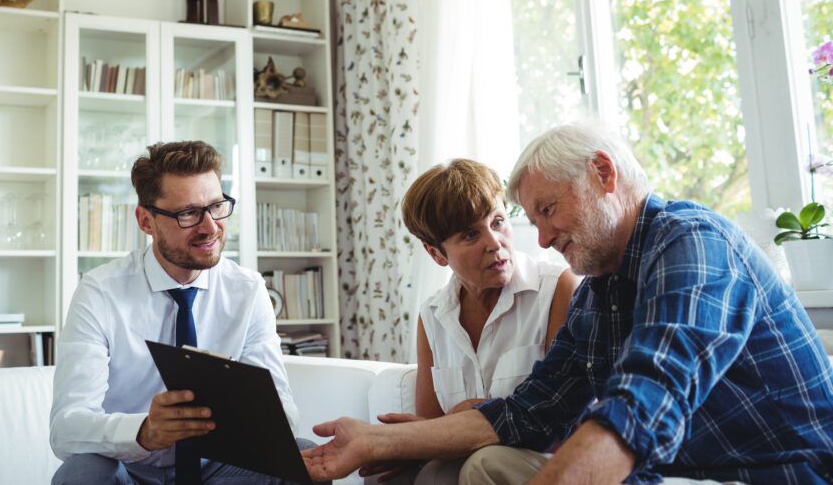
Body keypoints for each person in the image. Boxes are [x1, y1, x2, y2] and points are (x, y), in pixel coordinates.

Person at [302, 123, 833, 484]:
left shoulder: (691, 242)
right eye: (532, 220)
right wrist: (374, 442)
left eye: (548, 210)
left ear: (604, 174)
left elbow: (644, 402)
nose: (542, 237)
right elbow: (526, 412)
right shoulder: (601, 288)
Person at [51, 140, 306, 485]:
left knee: (303, 460)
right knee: (81, 474)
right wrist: (144, 431)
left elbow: (284, 415)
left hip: (220, 466)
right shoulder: (99, 292)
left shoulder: (248, 290)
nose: (210, 227)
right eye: (188, 213)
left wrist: (249, 421)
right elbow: (67, 427)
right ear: (146, 221)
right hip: (130, 469)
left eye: (216, 206)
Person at [370, 160, 577, 484]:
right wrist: (403, 445)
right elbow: (432, 426)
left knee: (474, 465)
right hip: (467, 459)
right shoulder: (433, 316)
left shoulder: (558, 288)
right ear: (437, 254)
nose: (494, 242)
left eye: (498, 222)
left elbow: (564, 421)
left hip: (547, 460)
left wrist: (469, 411)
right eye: (470, 234)